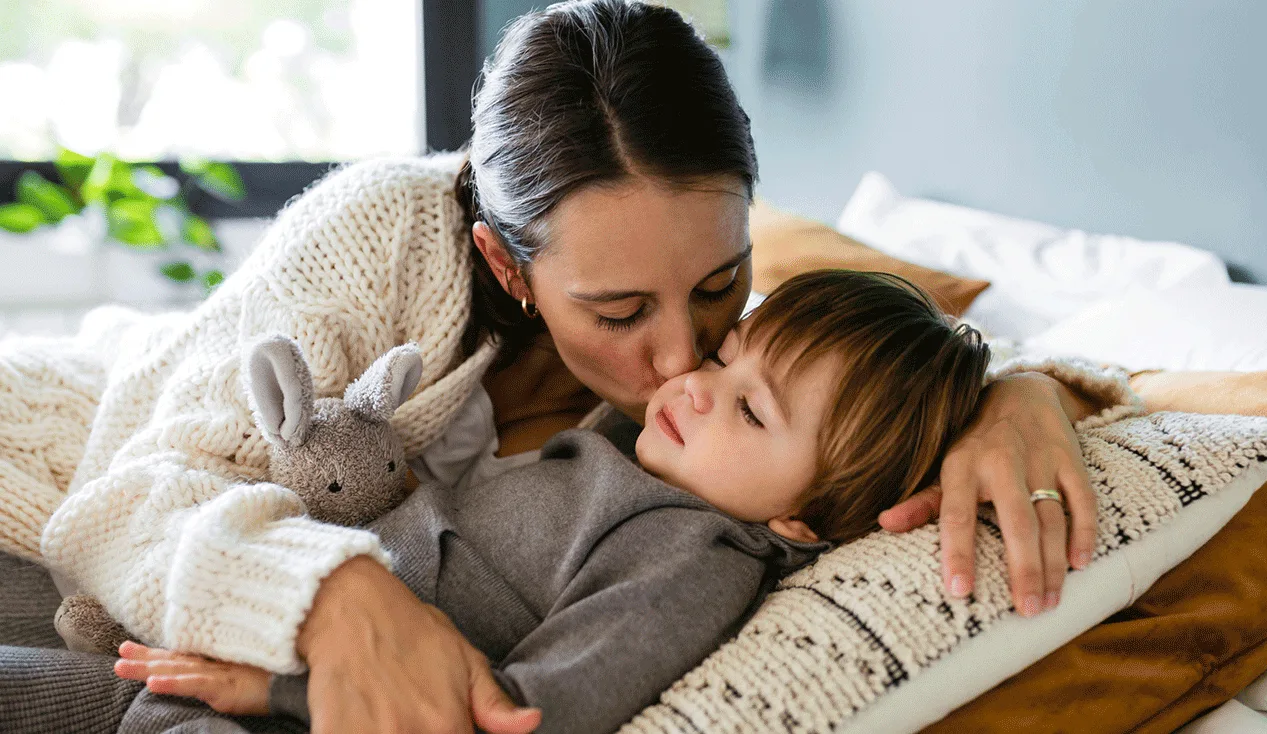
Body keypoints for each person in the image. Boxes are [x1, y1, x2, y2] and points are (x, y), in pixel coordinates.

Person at [0, 2, 1119, 732]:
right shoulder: (379, 235)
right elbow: (119, 507)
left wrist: (1016, 396)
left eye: (722, 286)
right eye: (619, 310)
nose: (683, 357)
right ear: (507, 262)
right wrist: (340, 598)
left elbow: (904, 368)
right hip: (40, 475)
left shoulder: (732, 389)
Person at [109, 269, 992, 734]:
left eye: (751, 411)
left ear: (801, 521)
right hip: (258, 629)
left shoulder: (689, 557)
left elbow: (531, 711)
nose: (692, 381)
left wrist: (279, 693)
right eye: (728, 356)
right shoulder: (648, 452)